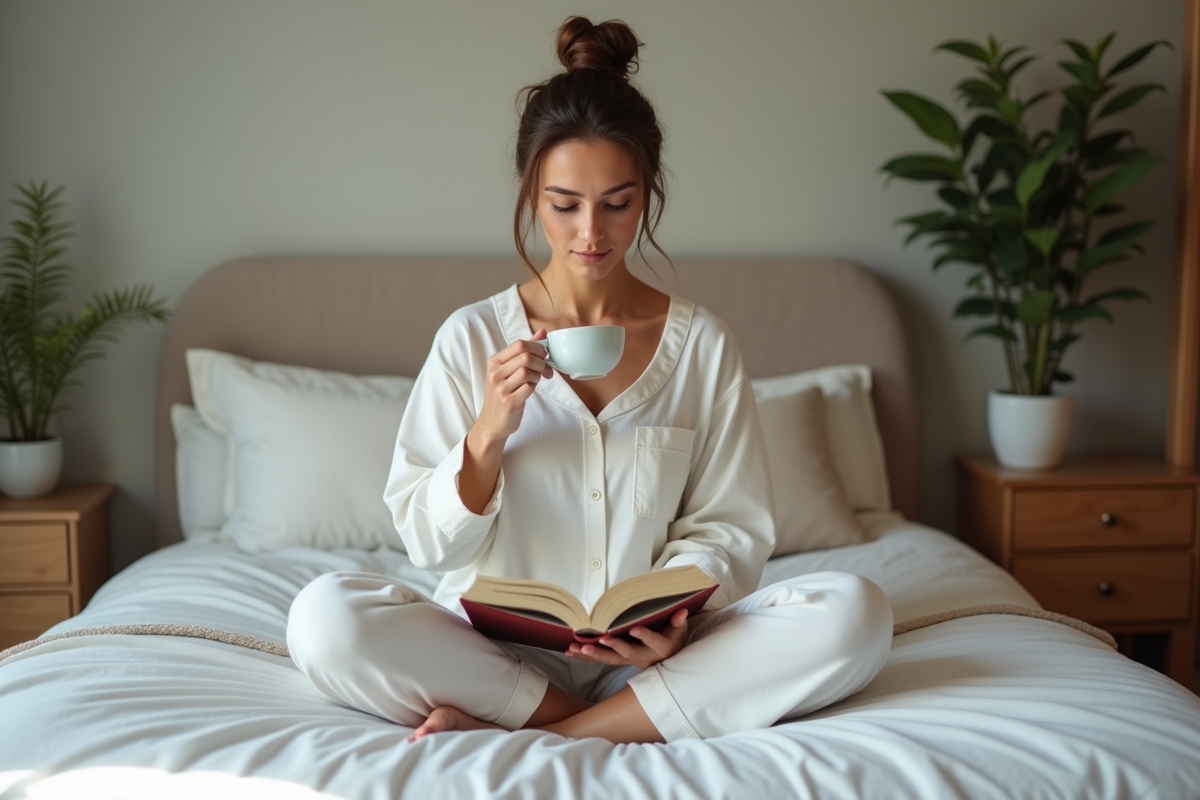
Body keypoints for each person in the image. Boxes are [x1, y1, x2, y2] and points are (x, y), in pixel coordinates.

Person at [286, 15, 893, 745]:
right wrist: (489, 431)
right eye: (564, 205)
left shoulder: (700, 344)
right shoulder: (470, 338)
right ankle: (599, 724)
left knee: (854, 612)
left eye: (618, 203)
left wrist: (674, 620)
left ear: (648, 192)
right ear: (530, 190)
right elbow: (427, 544)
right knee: (325, 620)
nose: (591, 236)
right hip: (491, 656)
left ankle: (557, 729)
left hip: (656, 660)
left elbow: (729, 526)